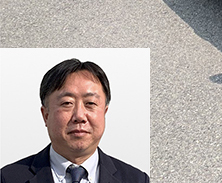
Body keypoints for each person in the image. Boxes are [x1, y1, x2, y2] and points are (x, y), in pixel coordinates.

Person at [1, 59, 149, 183]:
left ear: (104, 113)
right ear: (46, 115)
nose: (79, 116)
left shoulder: (136, 179)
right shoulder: (8, 178)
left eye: (90, 103)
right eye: (67, 103)